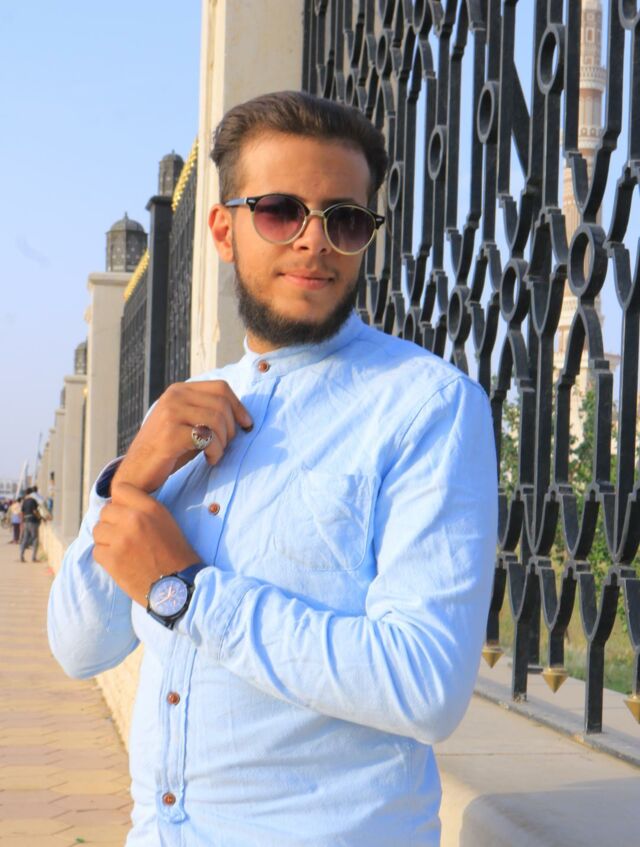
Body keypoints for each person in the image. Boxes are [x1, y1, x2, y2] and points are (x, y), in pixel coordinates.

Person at [48, 91, 498, 847]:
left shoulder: (426, 407)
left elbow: (425, 685)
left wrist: (186, 592)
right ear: (222, 230)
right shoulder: (185, 413)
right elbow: (79, 647)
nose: (315, 242)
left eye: (344, 220)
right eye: (282, 211)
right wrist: (129, 481)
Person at [20, 487, 41, 562]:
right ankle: (33, 557)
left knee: (25, 539)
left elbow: (22, 512)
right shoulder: (33, 501)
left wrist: (22, 521)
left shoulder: (24, 501)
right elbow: (35, 511)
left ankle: (21, 556)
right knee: (35, 539)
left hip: (26, 521)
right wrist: (39, 517)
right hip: (33, 521)